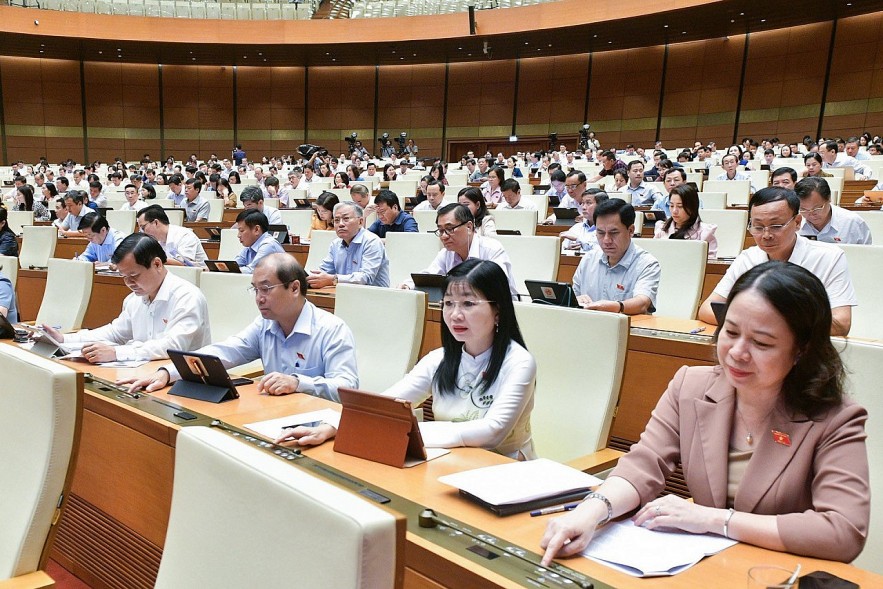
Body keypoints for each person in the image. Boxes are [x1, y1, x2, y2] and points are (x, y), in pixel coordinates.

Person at [540, 261, 869, 565]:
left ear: (802, 350)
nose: (738, 353)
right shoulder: (691, 385)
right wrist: (593, 511)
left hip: (779, 572)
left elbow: (842, 531)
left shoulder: (835, 419)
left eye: (762, 343)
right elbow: (643, 466)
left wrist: (714, 520)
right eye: (731, 331)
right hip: (703, 567)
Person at [277, 259, 537, 459]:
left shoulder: (519, 363)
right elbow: (386, 403)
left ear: (498, 310)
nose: (455, 315)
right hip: (449, 462)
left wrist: (411, 433)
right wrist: (333, 425)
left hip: (504, 472)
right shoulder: (441, 359)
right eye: (448, 303)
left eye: (468, 304)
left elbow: (492, 432)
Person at [122, 253, 358, 403]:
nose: (259, 298)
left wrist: (298, 383)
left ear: (295, 288)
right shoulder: (265, 325)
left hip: (321, 426)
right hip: (276, 417)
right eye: (255, 289)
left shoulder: (331, 329)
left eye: (266, 288)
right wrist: (168, 372)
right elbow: (224, 352)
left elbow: (347, 387)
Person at [697, 187, 856, 336]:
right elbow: (707, 309)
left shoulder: (829, 257)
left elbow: (841, 323)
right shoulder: (747, 258)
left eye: (776, 226)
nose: (766, 235)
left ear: (798, 222)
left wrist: (765, 324)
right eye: (758, 227)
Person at [41, 233, 211, 363]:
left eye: (134, 275)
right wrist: (64, 339)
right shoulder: (134, 299)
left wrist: (117, 353)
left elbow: (172, 346)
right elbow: (115, 333)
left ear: (157, 264)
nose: (129, 283)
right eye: (123, 276)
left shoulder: (187, 297)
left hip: (182, 379)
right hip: (143, 374)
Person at [402, 203, 518, 298]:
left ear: (469, 227)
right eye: (440, 230)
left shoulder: (492, 249)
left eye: (449, 229)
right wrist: (408, 285)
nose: (444, 236)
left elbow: (498, 288)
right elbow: (429, 276)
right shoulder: (446, 253)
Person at [571, 198, 660, 315]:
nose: (606, 240)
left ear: (631, 230)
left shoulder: (647, 264)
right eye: (601, 233)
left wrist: (617, 307)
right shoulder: (589, 258)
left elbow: (643, 303)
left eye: (614, 233)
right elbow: (573, 296)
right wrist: (575, 300)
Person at [307, 201, 390, 288]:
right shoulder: (335, 244)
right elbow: (324, 271)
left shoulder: (372, 242)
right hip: (345, 296)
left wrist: (333, 279)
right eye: (336, 220)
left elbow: (366, 278)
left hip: (375, 298)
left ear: (360, 222)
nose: (341, 224)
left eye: (346, 219)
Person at [795, 177, 871, 244]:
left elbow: (866, 255)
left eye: (817, 208)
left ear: (829, 198)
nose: (810, 214)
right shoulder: (793, 223)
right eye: (803, 209)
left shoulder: (853, 223)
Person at [654, 184, 719, 259]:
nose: (674, 211)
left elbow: (709, 264)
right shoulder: (662, 228)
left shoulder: (705, 232)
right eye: (671, 206)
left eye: (680, 206)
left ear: (692, 207)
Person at [136, 205, 208, 268]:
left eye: (143, 228)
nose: (143, 232)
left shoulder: (184, 235)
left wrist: (151, 259)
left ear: (156, 222)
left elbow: (184, 264)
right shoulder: (154, 240)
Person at [234, 209, 286, 274]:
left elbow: (254, 271)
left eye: (241, 231)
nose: (238, 235)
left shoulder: (268, 245)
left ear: (256, 230)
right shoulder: (249, 246)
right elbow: (235, 265)